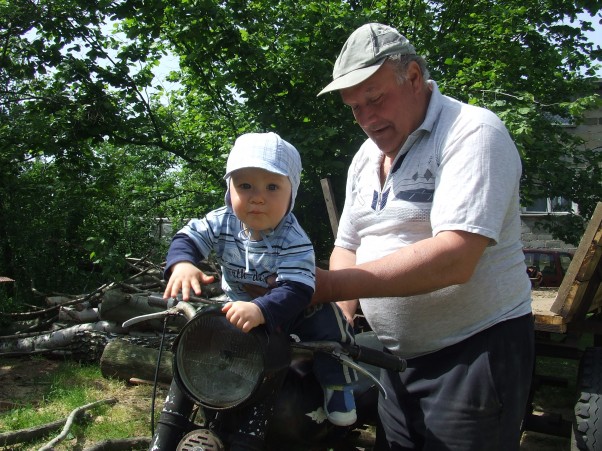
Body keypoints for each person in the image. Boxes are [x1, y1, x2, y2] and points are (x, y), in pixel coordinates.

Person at [315, 23, 534, 450]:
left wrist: (327, 287)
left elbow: (456, 256)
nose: (366, 119)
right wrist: (338, 323)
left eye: (375, 99)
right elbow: (348, 245)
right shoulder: (364, 158)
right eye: (354, 107)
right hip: (395, 361)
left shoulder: (473, 132)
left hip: (474, 352)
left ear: (414, 77)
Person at [162, 132, 357, 449]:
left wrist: (263, 309)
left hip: (296, 311)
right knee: (209, 345)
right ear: (230, 189)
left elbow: (297, 288)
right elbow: (187, 237)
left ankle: (338, 388)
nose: (257, 197)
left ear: (291, 192)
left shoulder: (293, 237)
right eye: (245, 185)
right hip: (240, 307)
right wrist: (182, 263)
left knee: (331, 334)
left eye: (272, 187)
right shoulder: (222, 222)